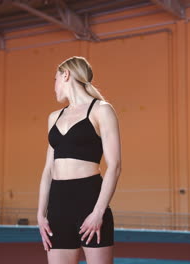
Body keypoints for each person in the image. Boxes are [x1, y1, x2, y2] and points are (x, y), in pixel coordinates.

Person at [37, 56, 122, 264]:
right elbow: (48, 169)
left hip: (90, 201)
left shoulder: (102, 110)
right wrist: (40, 214)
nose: (54, 87)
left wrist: (98, 212)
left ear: (65, 75)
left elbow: (115, 166)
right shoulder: (54, 117)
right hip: (57, 206)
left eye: (54, 79)